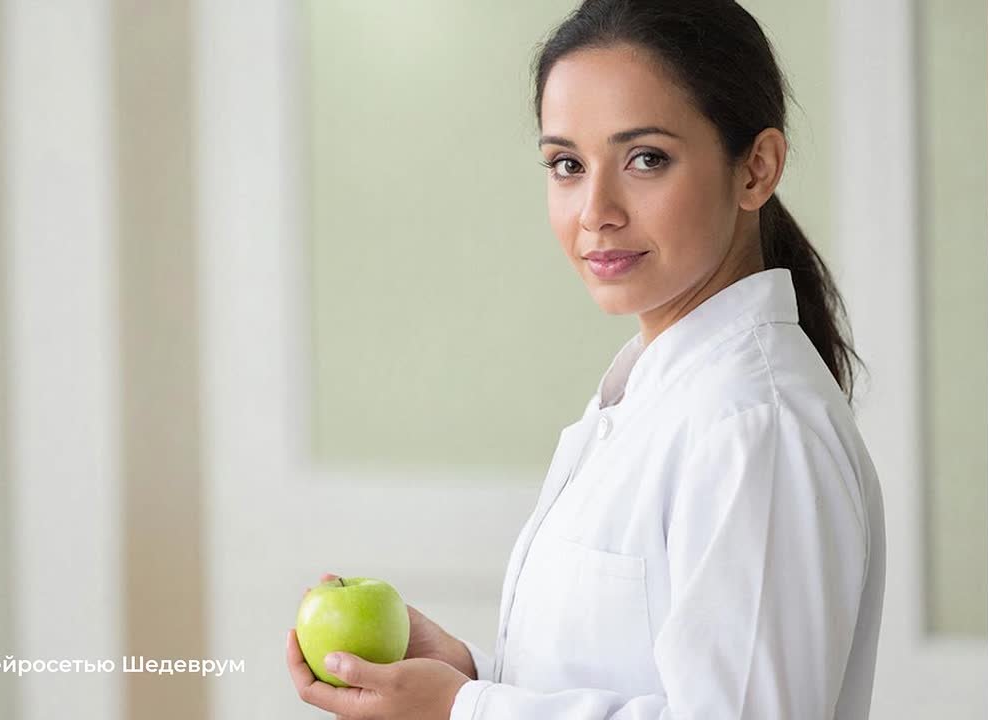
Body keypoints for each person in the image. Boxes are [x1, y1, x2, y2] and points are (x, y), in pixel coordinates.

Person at [286, 1, 885, 717]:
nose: (596, 209)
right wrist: (472, 677)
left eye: (646, 158)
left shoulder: (755, 427)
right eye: (567, 164)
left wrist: (463, 710)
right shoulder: (655, 398)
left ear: (757, 169)